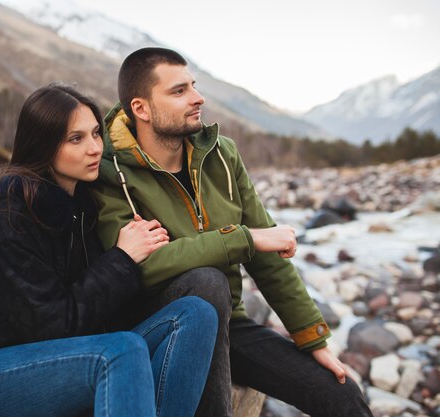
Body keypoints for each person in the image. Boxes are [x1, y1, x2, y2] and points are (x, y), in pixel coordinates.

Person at [0, 84, 218, 417]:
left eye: (94, 134)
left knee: (195, 313)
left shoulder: (84, 207)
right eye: (75, 139)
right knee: (121, 349)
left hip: (68, 362)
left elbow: (99, 312)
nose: (94, 149)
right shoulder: (16, 208)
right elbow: (50, 326)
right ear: (43, 146)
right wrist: (122, 258)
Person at [91, 47, 373, 417]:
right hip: (154, 327)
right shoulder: (110, 172)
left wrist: (312, 337)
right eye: (179, 92)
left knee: (339, 393)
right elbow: (139, 267)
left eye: (193, 85)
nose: (198, 97)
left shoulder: (221, 154)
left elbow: (268, 256)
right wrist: (242, 238)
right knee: (206, 281)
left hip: (227, 325)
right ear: (141, 108)